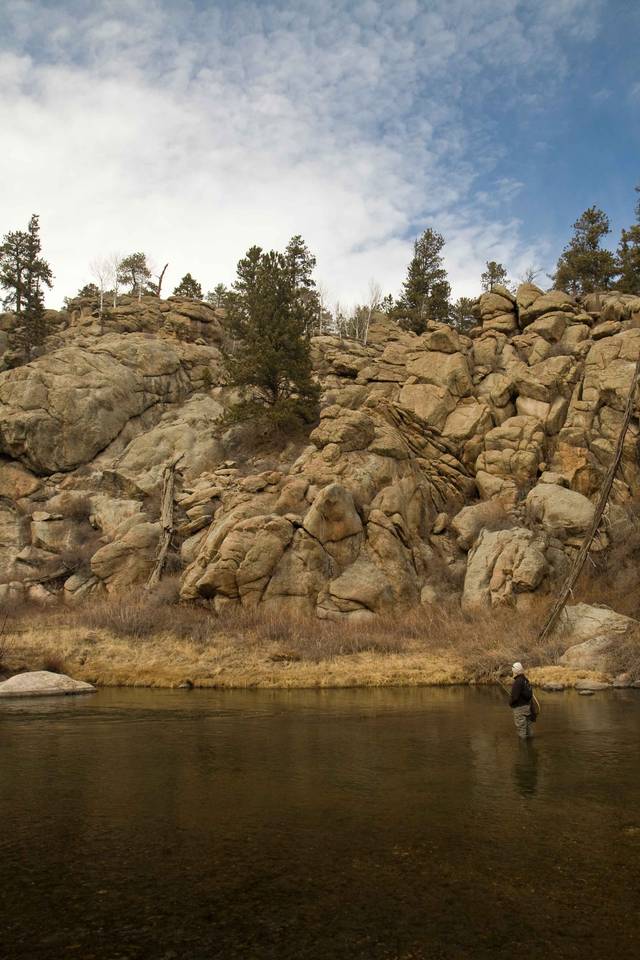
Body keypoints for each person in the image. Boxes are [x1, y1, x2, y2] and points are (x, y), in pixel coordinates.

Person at [509, 662, 533, 739]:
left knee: (521, 729)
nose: (512, 671)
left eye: (513, 670)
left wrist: (510, 703)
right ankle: (530, 746)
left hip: (519, 709)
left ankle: (523, 748)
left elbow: (515, 697)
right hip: (527, 708)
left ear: (515, 671)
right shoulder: (525, 680)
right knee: (528, 728)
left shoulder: (518, 682)